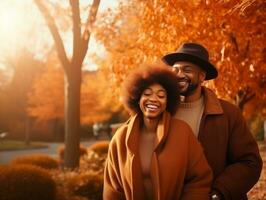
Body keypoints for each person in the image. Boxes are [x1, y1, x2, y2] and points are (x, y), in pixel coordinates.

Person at [162, 42, 263, 200]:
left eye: (187, 69)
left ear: (202, 76)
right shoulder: (161, 112)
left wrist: (218, 193)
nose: (179, 74)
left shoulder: (228, 114)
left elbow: (249, 162)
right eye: (175, 70)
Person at [103, 64, 213, 200]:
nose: (153, 99)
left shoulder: (182, 132)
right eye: (147, 94)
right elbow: (113, 189)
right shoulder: (121, 138)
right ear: (137, 99)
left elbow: (199, 179)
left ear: (168, 102)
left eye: (161, 95)